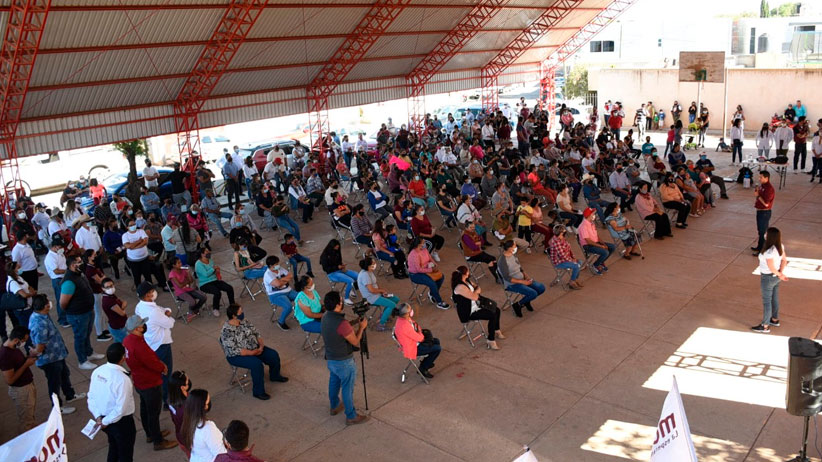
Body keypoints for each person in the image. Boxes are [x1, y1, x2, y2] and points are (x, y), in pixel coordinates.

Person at [122, 315, 178, 451]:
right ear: (137, 328)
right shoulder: (138, 345)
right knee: (153, 412)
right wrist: (162, 367)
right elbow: (150, 361)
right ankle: (158, 441)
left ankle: (151, 433)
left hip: (139, 381)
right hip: (149, 382)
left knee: (144, 408)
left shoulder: (128, 340)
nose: (144, 327)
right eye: (142, 325)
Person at [28, 294, 85, 415]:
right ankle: (58, 407)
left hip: (57, 355)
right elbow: (40, 345)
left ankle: (70, 395)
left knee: (65, 375)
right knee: (54, 383)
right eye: (47, 301)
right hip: (50, 359)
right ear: (46, 306)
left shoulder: (42, 315)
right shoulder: (40, 323)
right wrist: (35, 352)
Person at [220, 303, 288, 400]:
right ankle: (258, 392)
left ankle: (275, 375)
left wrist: (261, 346)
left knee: (273, 355)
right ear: (234, 316)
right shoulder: (227, 331)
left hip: (255, 348)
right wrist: (252, 353)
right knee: (256, 364)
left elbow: (256, 333)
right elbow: (235, 349)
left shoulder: (245, 321)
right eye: (240, 312)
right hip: (237, 355)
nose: (242, 313)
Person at [320, 290, 369, 425]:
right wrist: (362, 327)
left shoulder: (325, 316)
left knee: (334, 382)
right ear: (337, 305)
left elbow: (339, 330)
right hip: (344, 361)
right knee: (347, 388)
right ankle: (351, 415)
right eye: (341, 301)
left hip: (331, 358)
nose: (342, 303)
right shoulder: (341, 324)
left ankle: (334, 405)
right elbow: (355, 341)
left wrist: (353, 323)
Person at [88, 343, 137, 462]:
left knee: (114, 446)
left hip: (104, 419)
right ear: (122, 358)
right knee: (125, 453)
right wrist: (104, 421)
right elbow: (121, 408)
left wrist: (99, 417)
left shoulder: (98, 371)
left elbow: (91, 397)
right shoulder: (122, 379)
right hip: (121, 422)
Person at [134, 282, 175, 406]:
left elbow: (162, 309)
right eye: (152, 291)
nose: (154, 293)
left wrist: (166, 312)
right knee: (165, 373)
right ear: (147, 295)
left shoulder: (140, 306)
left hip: (151, 343)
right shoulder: (153, 312)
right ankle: (167, 400)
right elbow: (169, 323)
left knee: (159, 372)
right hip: (161, 345)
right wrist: (169, 316)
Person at [60, 254, 101, 369]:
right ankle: (82, 361)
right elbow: (63, 303)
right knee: (80, 336)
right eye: (79, 262)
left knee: (86, 334)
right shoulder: (69, 281)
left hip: (87, 310)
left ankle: (89, 353)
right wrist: (72, 310)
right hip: (77, 314)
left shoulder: (79, 273)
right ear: (73, 265)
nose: (81, 263)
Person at [451, 266, 504, 349]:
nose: (469, 273)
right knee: (492, 315)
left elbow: (478, 287)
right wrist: (476, 292)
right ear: (465, 274)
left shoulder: (466, 281)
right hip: (469, 312)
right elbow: (475, 296)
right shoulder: (460, 287)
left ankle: (496, 330)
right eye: (468, 272)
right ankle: (491, 340)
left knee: (496, 310)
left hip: (477, 306)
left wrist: (475, 292)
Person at [0, 326, 37, 432]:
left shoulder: (13, 348)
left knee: (30, 416)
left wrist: (29, 357)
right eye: (23, 341)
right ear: (16, 340)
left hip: (28, 386)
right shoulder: (5, 355)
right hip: (21, 391)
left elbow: (18, 364)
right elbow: (10, 380)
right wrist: (26, 364)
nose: (24, 343)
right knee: (26, 422)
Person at [752, 227, 788, 334]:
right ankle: (774, 319)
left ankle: (765, 325)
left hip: (767, 277)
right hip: (775, 277)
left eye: (766, 233)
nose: (765, 234)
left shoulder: (768, 252)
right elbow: (784, 260)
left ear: (769, 236)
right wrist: (780, 273)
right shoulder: (780, 246)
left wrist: (780, 274)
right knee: (774, 297)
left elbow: (771, 267)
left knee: (767, 302)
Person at [393, 302, 442, 378]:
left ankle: (427, 362)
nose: (412, 311)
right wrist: (420, 333)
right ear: (406, 314)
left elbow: (417, 328)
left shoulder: (402, 319)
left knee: (436, 341)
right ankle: (423, 368)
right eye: (410, 310)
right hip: (413, 348)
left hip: (414, 342)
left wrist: (419, 332)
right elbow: (420, 338)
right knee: (437, 349)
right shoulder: (405, 326)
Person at [497, 240, 545, 317]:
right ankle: (518, 305)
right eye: (515, 246)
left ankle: (526, 301)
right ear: (509, 248)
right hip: (512, 284)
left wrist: (526, 276)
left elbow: (520, 268)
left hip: (522, 280)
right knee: (533, 293)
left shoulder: (513, 255)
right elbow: (507, 278)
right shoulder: (503, 261)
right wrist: (523, 282)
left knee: (541, 288)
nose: (516, 247)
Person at [181, 389, 227, 462]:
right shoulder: (208, 428)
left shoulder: (187, 422)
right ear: (204, 407)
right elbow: (221, 454)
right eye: (208, 400)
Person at [356, 257, 400, 332]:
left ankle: (383, 316)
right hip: (371, 298)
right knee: (391, 305)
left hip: (377, 294)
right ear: (369, 266)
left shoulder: (370, 271)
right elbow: (371, 290)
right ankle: (381, 325)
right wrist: (381, 291)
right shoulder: (365, 275)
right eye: (373, 263)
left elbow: (375, 284)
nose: (375, 264)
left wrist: (382, 292)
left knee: (396, 299)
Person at [408, 237, 450, 310]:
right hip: (416, 274)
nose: (425, 244)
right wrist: (430, 270)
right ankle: (439, 302)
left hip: (426, 269)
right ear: (419, 244)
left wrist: (435, 264)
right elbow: (418, 269)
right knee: (432, 283)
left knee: (441, 277)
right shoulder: (414, 254)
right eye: (423, 243)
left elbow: (429, 258)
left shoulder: (424, 249)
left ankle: (432, 293)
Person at [195, 248, 235, 317]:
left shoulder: (210, 261)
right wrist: (213, 268)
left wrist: (217, 271)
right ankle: (215, 308)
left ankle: (232, 305)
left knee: (229, 288)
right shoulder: (198, 264)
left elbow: (213, 272)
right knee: (217, 292)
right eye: (206, 251)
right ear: (202, 254)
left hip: (215, 280)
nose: (209, 252)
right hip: (205, 284)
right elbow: (205, 274)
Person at [263, 255, 298, 330]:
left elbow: (291, 275)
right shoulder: (268, 275)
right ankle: (281, 322)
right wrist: (285, 280)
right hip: (276, 295)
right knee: (288, 306)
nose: (278, 265)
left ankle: (298, 315)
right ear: (271, 266)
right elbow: (278, 284)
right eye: (276, 264)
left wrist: (281, 280)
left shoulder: (280, 269)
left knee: (302, 298)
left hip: (288, 291)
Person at [319, 239, 359, 305]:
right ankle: (346, 298)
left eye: (338, 247)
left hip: (340, 270)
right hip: (332, 273)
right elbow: (326, 269)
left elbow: (339, 261)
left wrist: (342, 266)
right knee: (350, 280)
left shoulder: (337, 252)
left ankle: (350, 289)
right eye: (336, 248)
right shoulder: (324, 256)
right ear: (331, 247)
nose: (337, 249)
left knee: (357, 275)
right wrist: (337, 267)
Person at [577, 207, 615, 273]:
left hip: (595, 242)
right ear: (589, 216)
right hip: (588, 245)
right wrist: (601, 246)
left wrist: (603, 243)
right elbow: (588, 241)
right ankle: (595, 265)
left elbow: (596, 236)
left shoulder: (591, 223)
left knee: (612, 247)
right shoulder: (583, 226)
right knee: (605, 252)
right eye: (593, 214)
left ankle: (600, 262)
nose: (594, 215)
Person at [547, 225, 585, 289]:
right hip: (559, 262)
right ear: (561, 232)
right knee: (576, 265)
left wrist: (573, 257)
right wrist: (572, 260)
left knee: (580, 262)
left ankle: (575, 279)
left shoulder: (562, 238)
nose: (565, 231)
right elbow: (562, 256)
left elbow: (568, 249)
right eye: (564, 231)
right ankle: (572, 282)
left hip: (565, 259)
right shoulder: (556, 242)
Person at [44, 235, 69, 327]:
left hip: (64, 277)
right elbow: (56, 271)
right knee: (61, 299)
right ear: (54, 247)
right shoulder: (50, 257)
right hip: (58, 280)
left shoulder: (59, 253)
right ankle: (62, 319)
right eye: (60, 246)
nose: (62, 248)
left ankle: (67, 316)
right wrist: (68, 270)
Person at [168, 370, 190, 455]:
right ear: (182, 387)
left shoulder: (171, 400)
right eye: (187, 383)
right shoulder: (187, 406)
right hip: (189, 439)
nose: (189, 383)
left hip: (180, 435)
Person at [752, 171, 775, 254]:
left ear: (766, 178)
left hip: (764, 212)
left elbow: (766, 203)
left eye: (761, 177)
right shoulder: (763, 186)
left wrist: (758, 195)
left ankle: (763, 249)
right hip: (759, 211)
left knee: (763, 231)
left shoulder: (769, 189)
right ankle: (759, 246)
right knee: (760, 231)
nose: (759, 179)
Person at [101, 278, 129, 342]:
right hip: (118, 328)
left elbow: (121, 304)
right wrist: (123, 306)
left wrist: (122, 306)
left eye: (111, 286)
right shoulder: (108, 300)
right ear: (103, 288)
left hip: (119, 325)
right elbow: (122, 313)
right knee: (127, 344)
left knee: (118, 344)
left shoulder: (111, 295)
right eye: (107, 287)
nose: (110, 288)